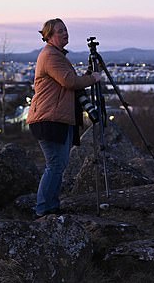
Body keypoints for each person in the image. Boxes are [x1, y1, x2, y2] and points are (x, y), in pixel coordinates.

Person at [27, 18, 101, 217]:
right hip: (49, 118)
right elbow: (69, 82)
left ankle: (52, 206)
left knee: (59, 165)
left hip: (58, 118)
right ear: (49, 36)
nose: (65, 33)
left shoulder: (58, 55)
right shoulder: (51, 56)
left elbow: (71, 82)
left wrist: (86, 76)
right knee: (55, 165)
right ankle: (43, 209)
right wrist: (92, 79)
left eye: (66, 30)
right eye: (60, 31)